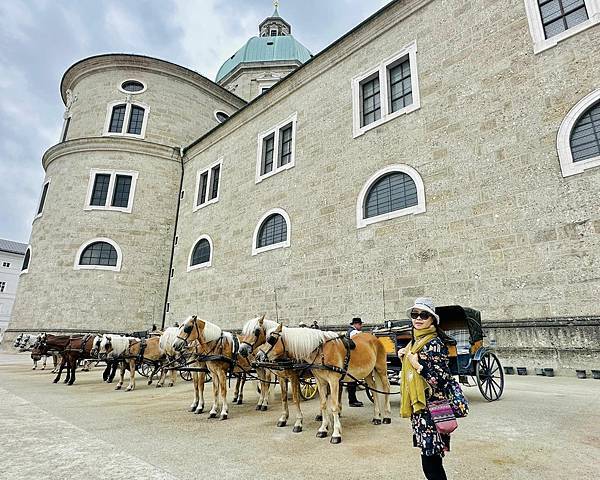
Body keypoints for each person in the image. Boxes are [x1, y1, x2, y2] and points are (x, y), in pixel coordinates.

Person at [398, 298, 456, 480]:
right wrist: (405, 356)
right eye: (415, 314)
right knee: (430, 458)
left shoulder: (434, 343)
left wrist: (418, 364)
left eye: (424, 315)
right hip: (421, 411)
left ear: (433, 320)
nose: (418, 318)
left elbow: (442, 379)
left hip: (433, 409)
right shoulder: (415, 342)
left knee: (431, 461)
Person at [346, 317, 364, 407]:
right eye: (360, 324)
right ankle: (352, 400)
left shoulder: (349, 331)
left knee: (351, 381)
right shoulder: (354, 332)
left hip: (349, 358)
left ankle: (352, 400)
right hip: (353, 358)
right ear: (356, 324)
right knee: (352, 381)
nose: (361, 326)